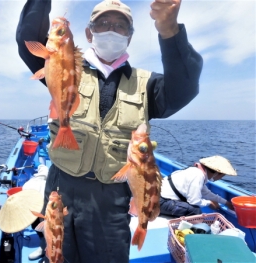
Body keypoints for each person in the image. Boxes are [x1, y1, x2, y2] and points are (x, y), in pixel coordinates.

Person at [16, 0, 203, 262]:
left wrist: (170, 32)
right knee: (57, 254)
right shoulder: (65, 64)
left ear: (130, 36)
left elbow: (185, 86)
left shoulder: (148, 85)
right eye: (103, 24)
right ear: (89, 33)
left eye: (120, 25)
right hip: (62, 187)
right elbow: (28, 39)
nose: (111, 30)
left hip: (111, 200)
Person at [160, 155, 237, 217]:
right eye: (222, 176)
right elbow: (194, 201)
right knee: (194, 210)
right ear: (217, 173)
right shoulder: (198, 176)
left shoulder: (196, 171)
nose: (221, 178)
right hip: (161, 202)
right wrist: (209, 203)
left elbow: (207, 193)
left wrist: (226, 203)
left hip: (158, 198)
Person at [22, 164, 49, 260]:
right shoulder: (28, 186)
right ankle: (43, 245)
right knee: (35, 222)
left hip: (50, 204)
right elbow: (43, 169)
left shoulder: (47, 190)